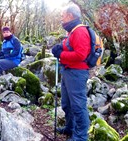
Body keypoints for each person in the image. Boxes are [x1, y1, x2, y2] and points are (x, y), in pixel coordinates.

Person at [51, 4, 90, 141]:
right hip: (68, 71)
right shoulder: (72, 31)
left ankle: (80, 137)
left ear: (70, 16)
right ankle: (70, 128)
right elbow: (69, 46)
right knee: (67, 104)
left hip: (77, 73)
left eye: (62, 16)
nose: (61, 19)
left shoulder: (80, 31)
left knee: (78, 106)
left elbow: (81, 55)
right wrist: (59, 47)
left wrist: (61, 55)